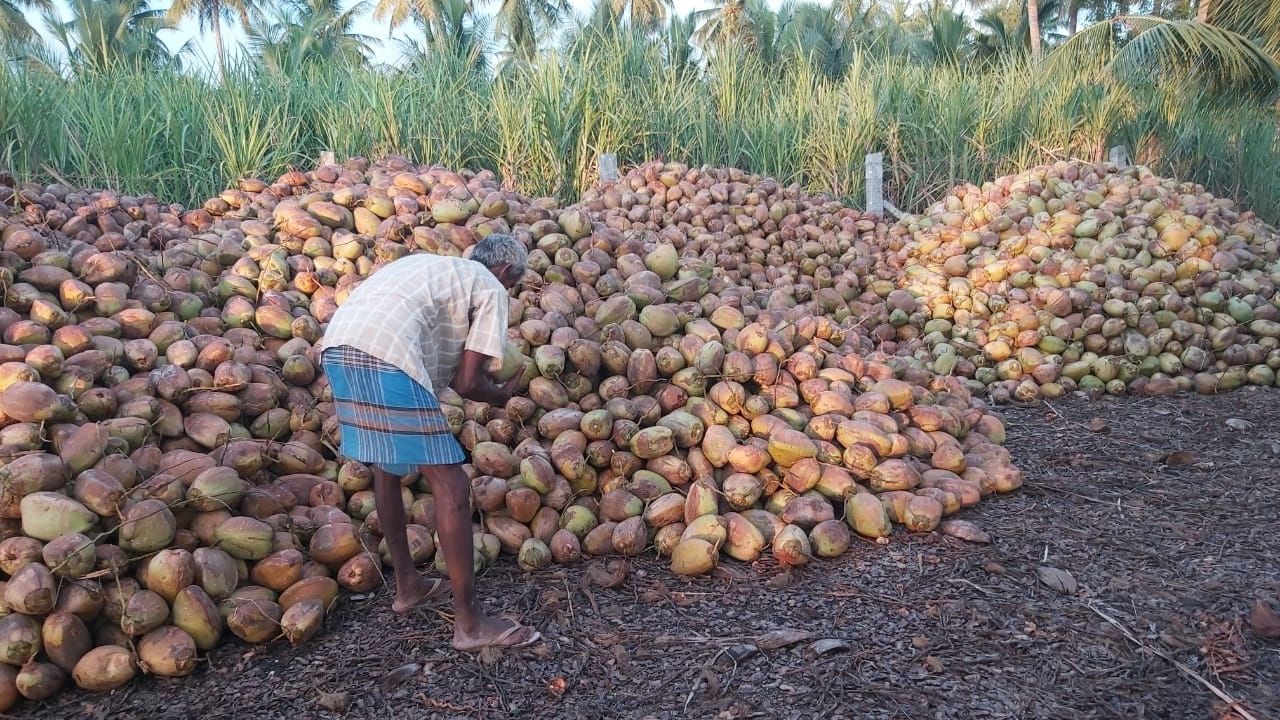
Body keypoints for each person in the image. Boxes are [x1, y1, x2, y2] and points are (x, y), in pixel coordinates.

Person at [317, 234, 540, 651]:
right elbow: (469, 382)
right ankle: (470, 626)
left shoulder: (434, 269)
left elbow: (455, 374)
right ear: (506, 272)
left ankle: (408, 586)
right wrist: (502, 394)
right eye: (512, 284)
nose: (507, 291)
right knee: (452, 486)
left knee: (387, 466)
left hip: (339, 347)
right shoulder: (490, 286)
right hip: (388, 354)